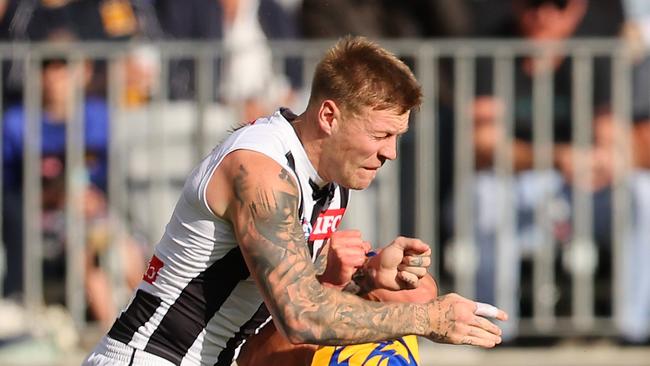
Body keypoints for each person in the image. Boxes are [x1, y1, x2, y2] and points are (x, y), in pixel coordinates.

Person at [83, 36, 508, 366]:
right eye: (381, 135)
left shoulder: (331, 177)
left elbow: (280, 288)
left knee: (408, 292)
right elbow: (301, 316)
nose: (390, 153)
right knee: (413, 311)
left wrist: (365, 276)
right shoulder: (260, 169)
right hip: (152, 358)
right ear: (329, 116)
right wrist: (430, 320)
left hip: (226, 357)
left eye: (397, 137)